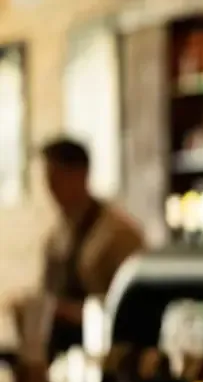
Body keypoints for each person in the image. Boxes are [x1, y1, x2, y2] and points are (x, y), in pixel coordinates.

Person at [38, 138, 144, 360]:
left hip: (105, 356)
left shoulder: (119, 234)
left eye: (56, 179)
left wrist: (69, 311)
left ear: (81, 175)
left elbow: (133, 309)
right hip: (60, 354)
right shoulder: (55, 236)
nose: (50, 189)